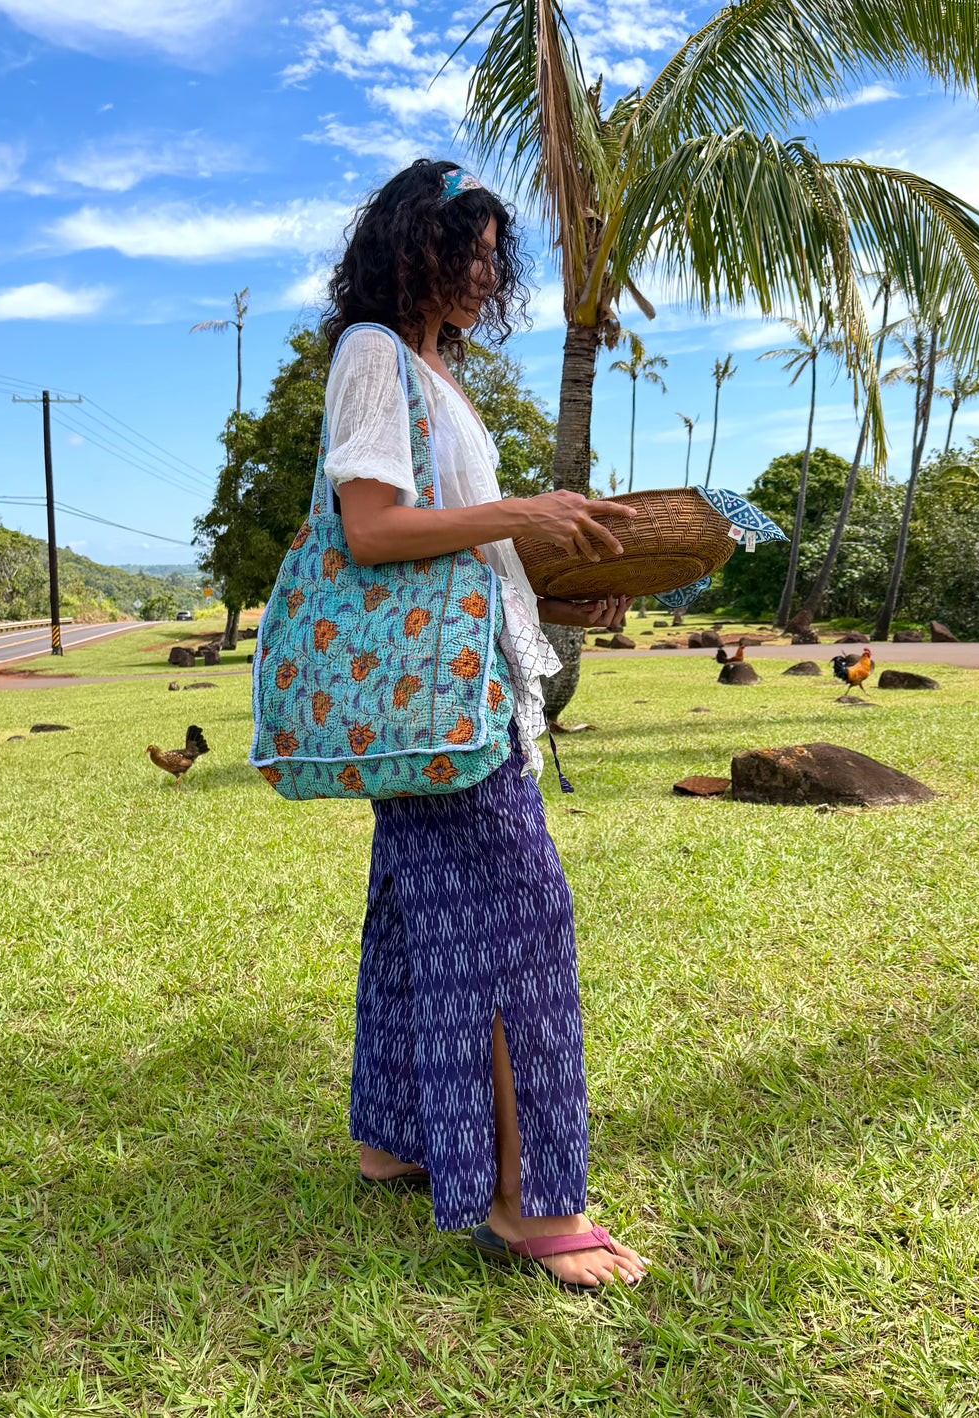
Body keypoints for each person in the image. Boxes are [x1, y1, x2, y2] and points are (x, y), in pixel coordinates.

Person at [321, 158, 646, 1289]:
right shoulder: (373, 353)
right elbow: (371, 526)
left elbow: (458, 552)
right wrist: (522, 508)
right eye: (463, 246)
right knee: (523, 921)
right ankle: (526, 1200)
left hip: (460, 687)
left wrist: (564, 594)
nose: (482, 269)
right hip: (447, 705)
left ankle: (393, 1135)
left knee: (417, 915)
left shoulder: (436, 375)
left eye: (494, 254)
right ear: (408, 246)